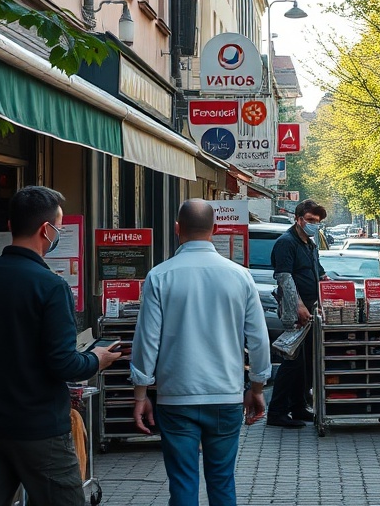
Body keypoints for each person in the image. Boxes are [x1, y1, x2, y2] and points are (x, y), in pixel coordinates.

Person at [0, 185, 121, 506]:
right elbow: (64, 363)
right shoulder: (51, 286)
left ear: (9, 225)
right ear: (47, 230)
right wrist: (96, 359)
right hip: (40, 429)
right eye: (58, 227)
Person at [130, 200, 270, 506]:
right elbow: (259, 339)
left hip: (175, 397)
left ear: (177, 228)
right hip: (225, 395)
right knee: (222, 480)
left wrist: (140, 395)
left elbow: (147, 340)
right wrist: (257, 388)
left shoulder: (159, 276)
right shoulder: (240, 276)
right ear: (215, 229)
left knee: (182, 480)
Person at [267, 198, 328, 428]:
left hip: (311, 309)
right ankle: (277, 412)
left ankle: (298, 405)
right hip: (295, 311)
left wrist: (330, 287)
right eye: (310, 220)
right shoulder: (286, 243)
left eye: (317, 221)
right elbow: (285, 278)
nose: (314, 224)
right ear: (298, 219)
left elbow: (318, 271)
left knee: (306, 361)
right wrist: (299, 307)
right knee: (291, 361)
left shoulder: (309, 244)